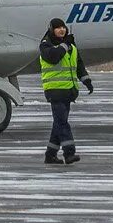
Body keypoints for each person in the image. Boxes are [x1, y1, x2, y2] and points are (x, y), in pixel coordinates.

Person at [38, 17, 92, 164]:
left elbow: (78, 63)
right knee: (62, 122)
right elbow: (53, 57)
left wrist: (86, 80)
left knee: (59, 123)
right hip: (54, 90)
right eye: (58, 28)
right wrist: (64, 45)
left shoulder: (70, 46)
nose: (62, 30)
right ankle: (69, 153)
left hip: (68, 90)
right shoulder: (45, 45)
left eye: (63, 27)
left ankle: (50, 155)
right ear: (51, 30)